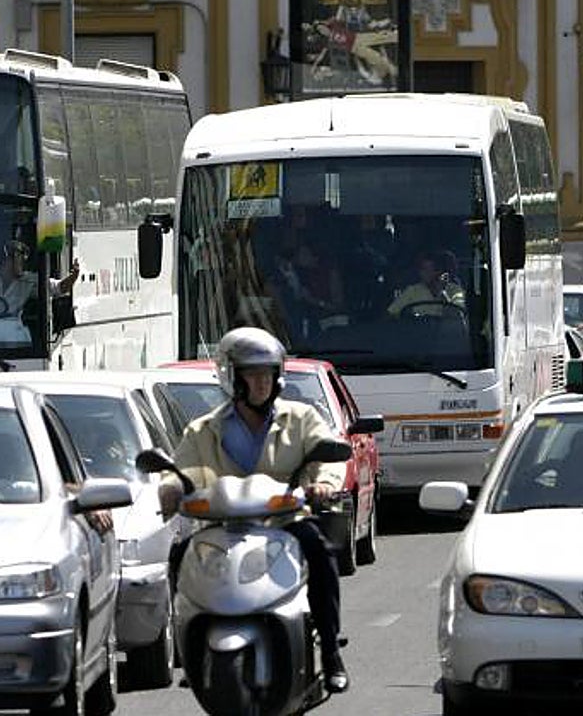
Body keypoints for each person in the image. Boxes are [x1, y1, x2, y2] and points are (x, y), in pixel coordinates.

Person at [158, 326, 351, 693]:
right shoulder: (203, 429)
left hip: (284, 521)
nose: (262, 382)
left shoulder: (301, 418)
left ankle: (330, 651)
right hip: (222, 527)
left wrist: (323, 483)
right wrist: (170, 490)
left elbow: (327, 455)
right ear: (231, 377)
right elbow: (181, 471)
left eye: (268, 374)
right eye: (252, 373)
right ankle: (192, 650)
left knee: (319, 550)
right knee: (181, 555)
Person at [386, 250, 466, 317]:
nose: (422, 273)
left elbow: (459, 317)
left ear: (439, 271)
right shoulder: (413, 291)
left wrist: (442, 293)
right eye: (422, 269)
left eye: (428, 269)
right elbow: (391, 313)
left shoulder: (456, 291)